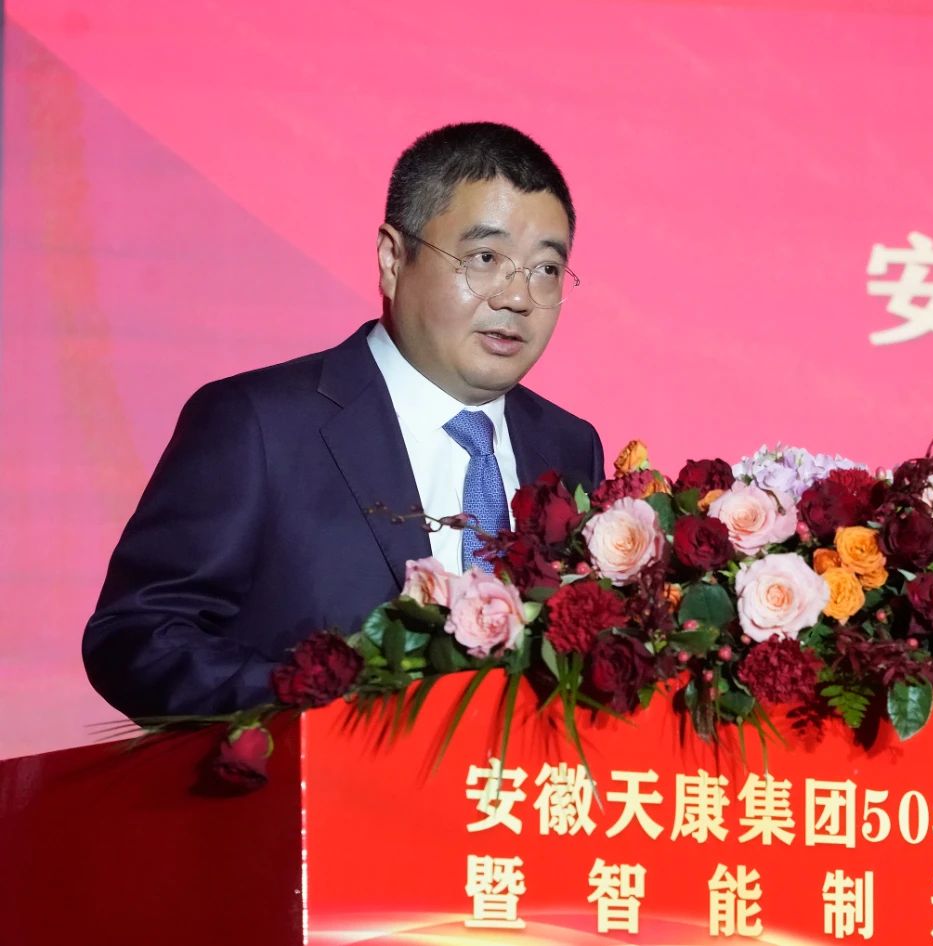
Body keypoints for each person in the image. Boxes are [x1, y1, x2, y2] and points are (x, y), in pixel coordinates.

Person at [83, 122, 605, 719]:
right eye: (485, 259)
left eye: (546, 270)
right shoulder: (259, 425)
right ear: (392, 259)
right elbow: (138, 637)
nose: (517, 298)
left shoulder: (569, 447)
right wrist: (324, 706)